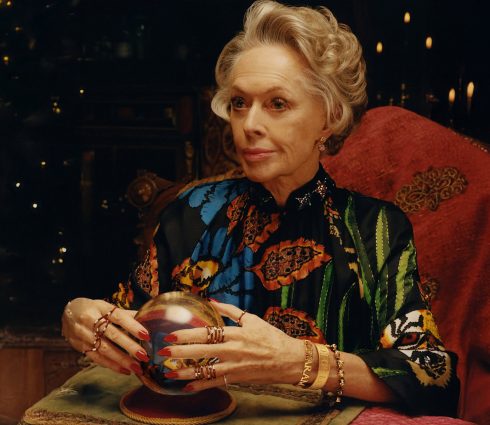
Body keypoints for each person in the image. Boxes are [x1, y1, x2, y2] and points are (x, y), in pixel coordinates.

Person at [62, 0, 459, 417]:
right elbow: (124, 322)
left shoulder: (374, 230)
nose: (249, 124)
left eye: (277, 104)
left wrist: (300, 362)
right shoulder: (194, 212)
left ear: (330, 118)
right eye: (239, 103)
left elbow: (433, 376)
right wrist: (78, 316)